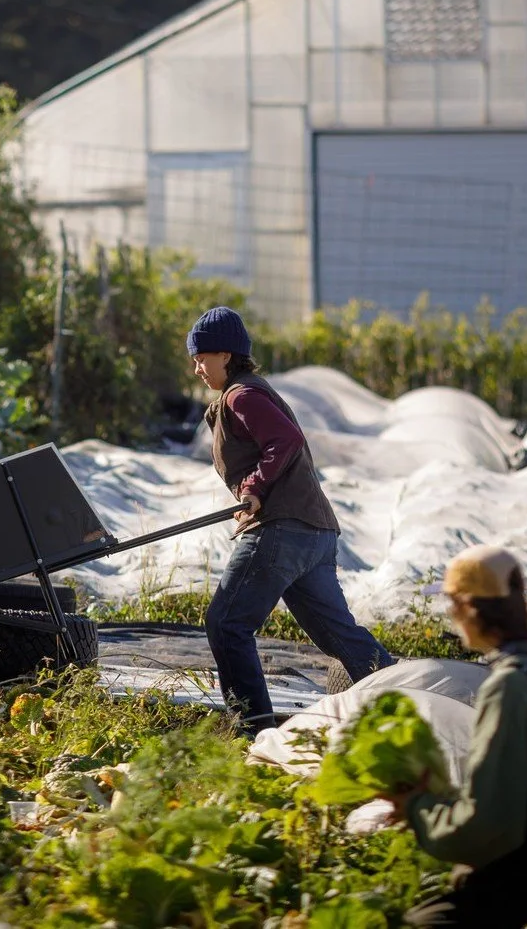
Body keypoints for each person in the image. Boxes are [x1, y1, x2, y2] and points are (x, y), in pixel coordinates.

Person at [188, 306, 393, 734]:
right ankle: (405, 701)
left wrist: (255, 489)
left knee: (226, 624)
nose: (196, 368)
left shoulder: (242, 395)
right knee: (340, 638)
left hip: (283, 530)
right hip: (314, 533)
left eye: (202, 358)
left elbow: (285, 439)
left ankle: (252, 730)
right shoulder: (241, 396)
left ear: (226, 355)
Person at [396, 545, 527, 928]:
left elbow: (489, 824)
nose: (450, 614)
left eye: (452, 604)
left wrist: (418, 808)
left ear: (468, 608)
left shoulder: (508, 687)